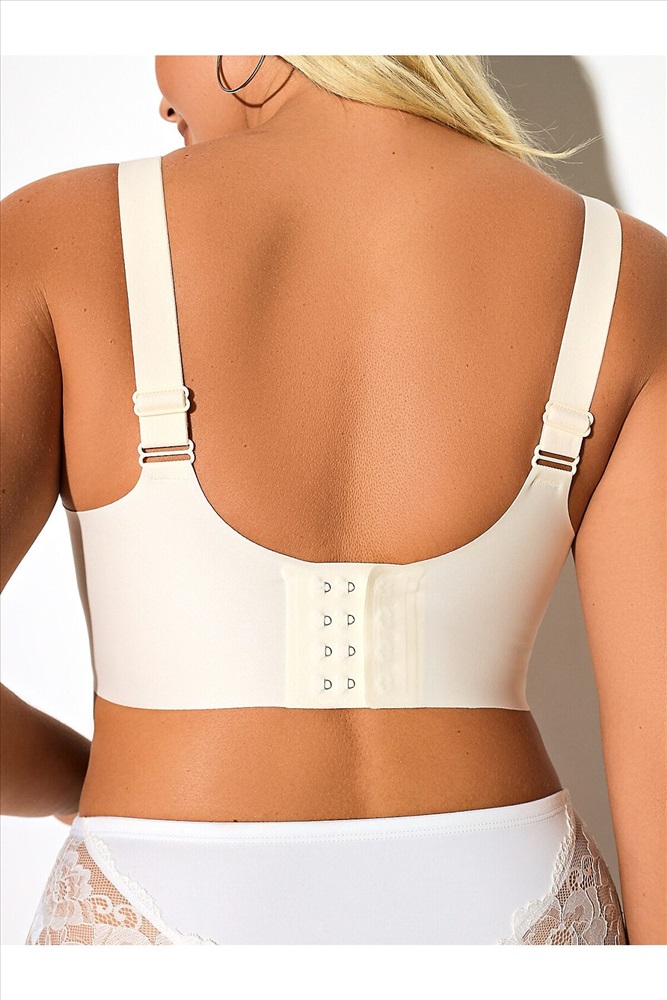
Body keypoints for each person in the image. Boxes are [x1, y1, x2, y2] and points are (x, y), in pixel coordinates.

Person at [1, 55, 664, 946]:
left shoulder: (56, 234)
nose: (160, 99)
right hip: (515, 897)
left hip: (159, 882)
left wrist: (74, 779)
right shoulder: (628, 270)